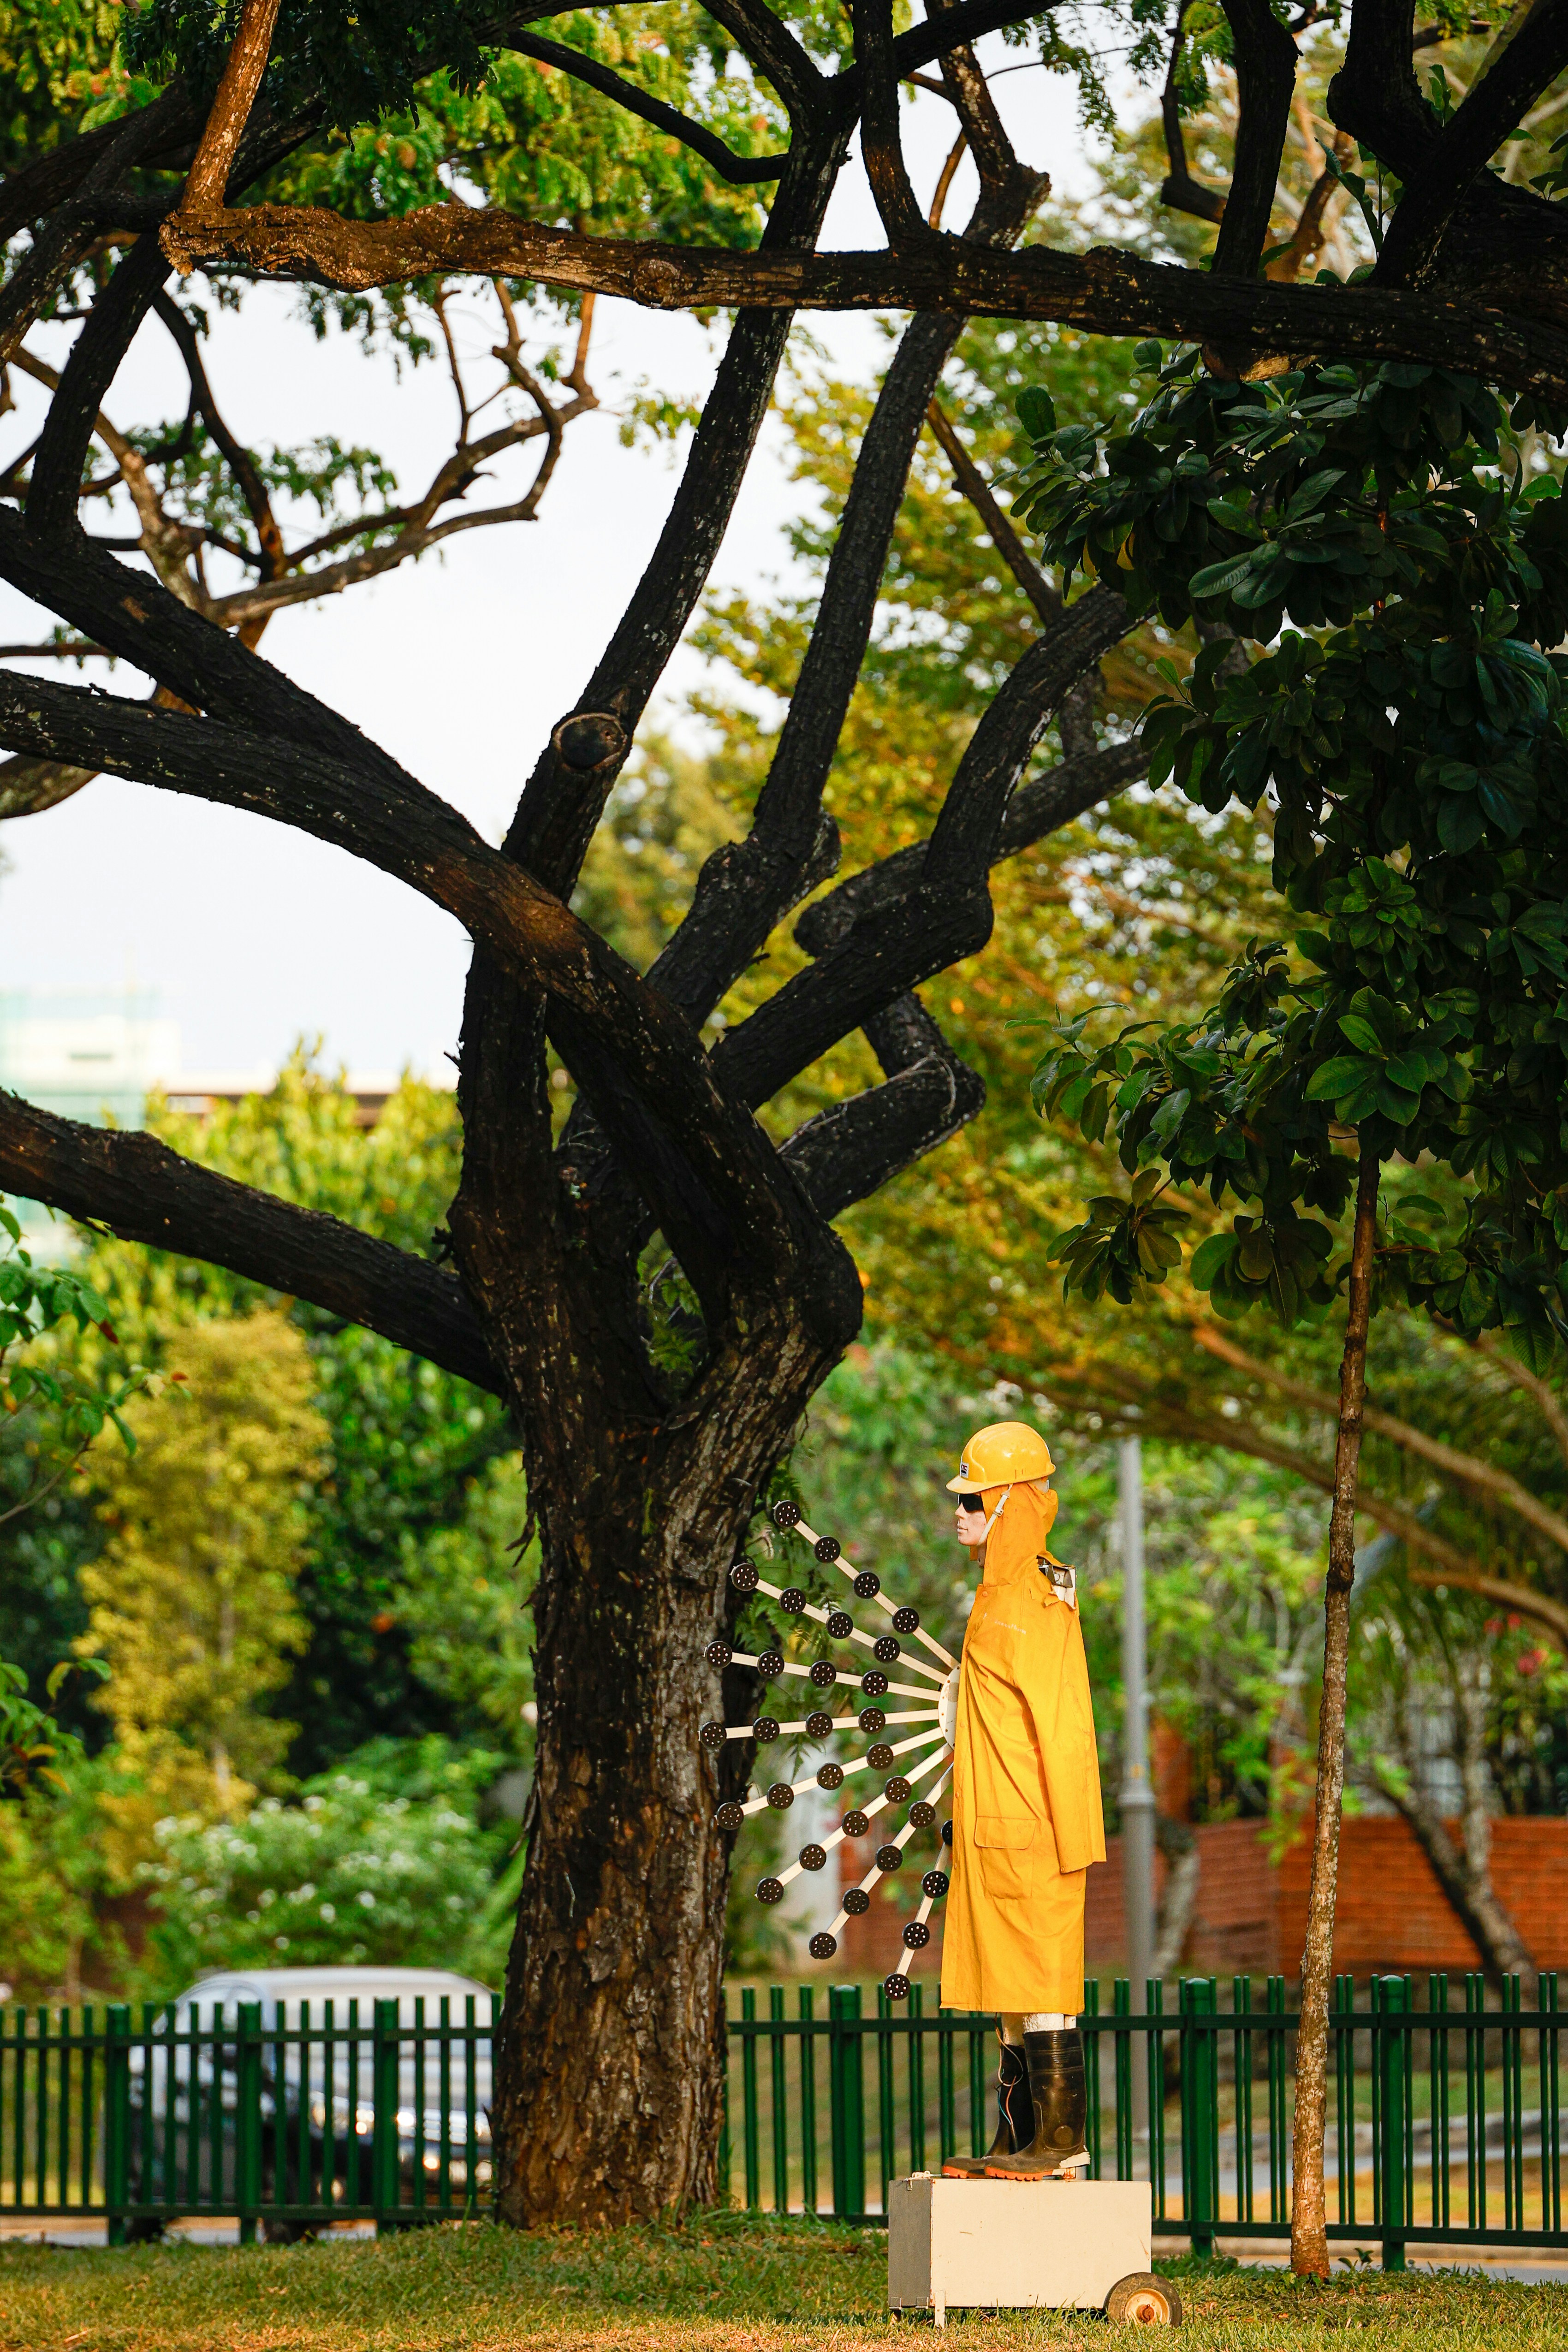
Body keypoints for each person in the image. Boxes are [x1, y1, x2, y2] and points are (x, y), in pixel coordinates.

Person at [936, 1420, 1105, 2180]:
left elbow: (1064, 1723)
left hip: (1032, 1826)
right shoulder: (997, 1594)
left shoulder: (1034, 1600)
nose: (960, 1510)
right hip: (992, 1821)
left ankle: (1060, 2137)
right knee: (1011, 1980)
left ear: (1008, 1501)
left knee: (1040, 1978)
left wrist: (1076, 1835)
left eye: (973, 1496)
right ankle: (1019, 2137)